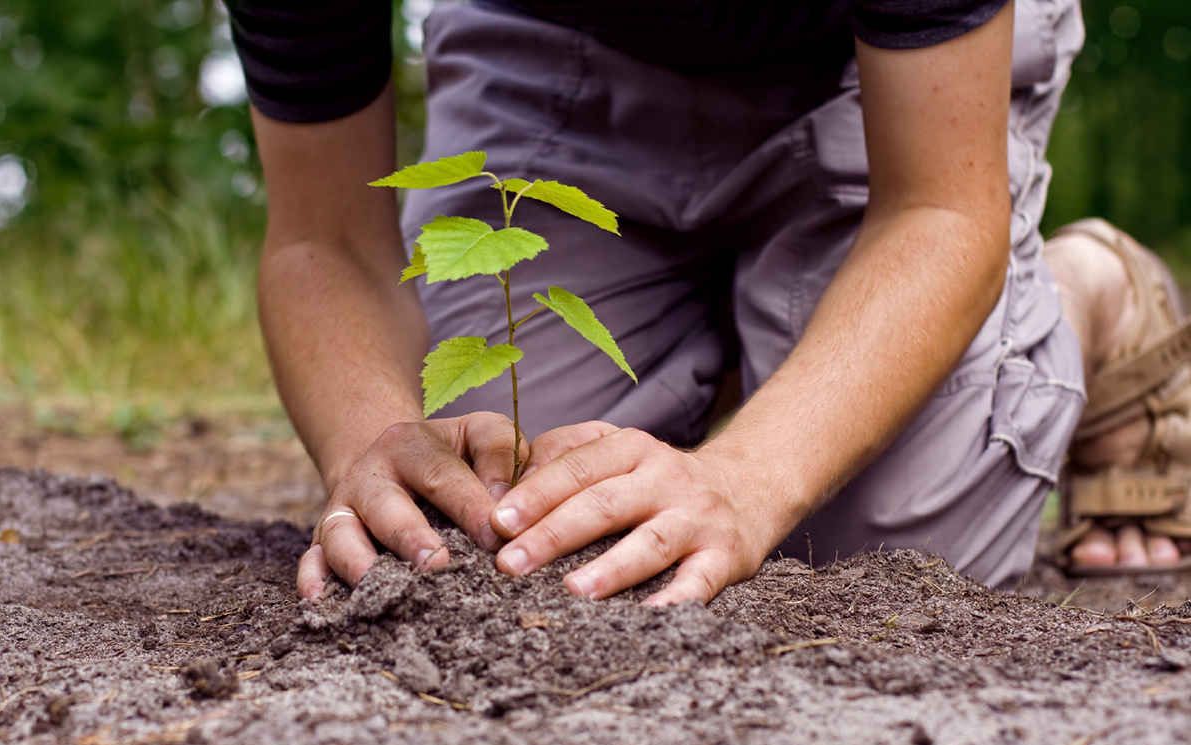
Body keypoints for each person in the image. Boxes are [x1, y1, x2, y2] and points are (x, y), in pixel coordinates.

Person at [231, 0, 1191, 605]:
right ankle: (752, 330)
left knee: (871, 555)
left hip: (894, 73)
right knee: (502, 512)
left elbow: (939, 204)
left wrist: (748, 479)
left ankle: (1084, 295)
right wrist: (374, 442)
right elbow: (326, 238)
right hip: (563, 42)